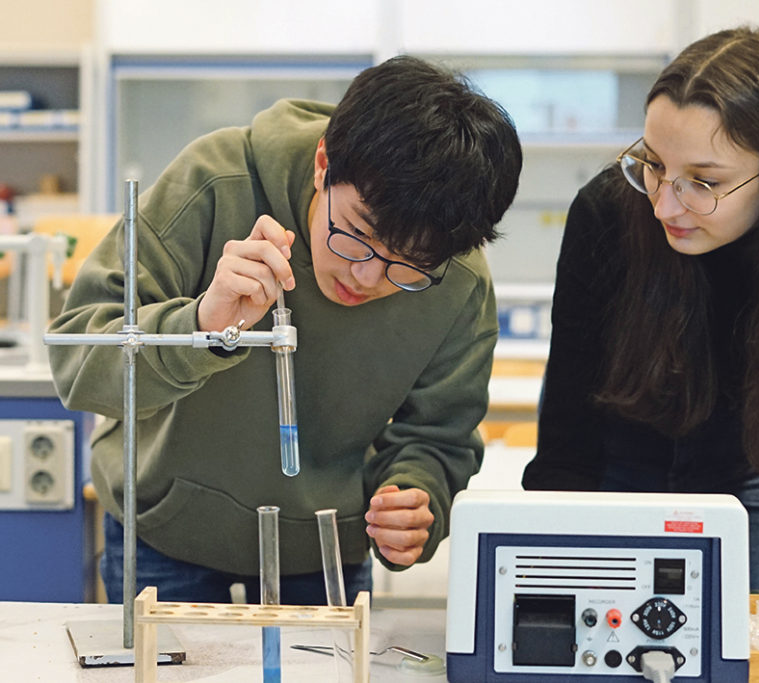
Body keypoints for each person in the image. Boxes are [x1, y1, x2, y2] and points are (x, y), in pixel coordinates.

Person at [48, 56, 522, 606]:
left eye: (408, 264)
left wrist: (416, 499)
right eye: (359, 235)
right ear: (325, 162)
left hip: (323, 557)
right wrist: (201, 326)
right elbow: (79, 365)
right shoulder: (214, 182)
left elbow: (437, 436)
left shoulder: (457, 280)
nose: (366, 277)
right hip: (166, 538)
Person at [521, 26, 759, 592]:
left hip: (758, 470)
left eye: (703, 182)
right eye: (652, 163)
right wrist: (553, 572)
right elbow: (567, 438)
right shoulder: (608, 211)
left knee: (739, 651)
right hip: (618, 461)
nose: (662, 204)